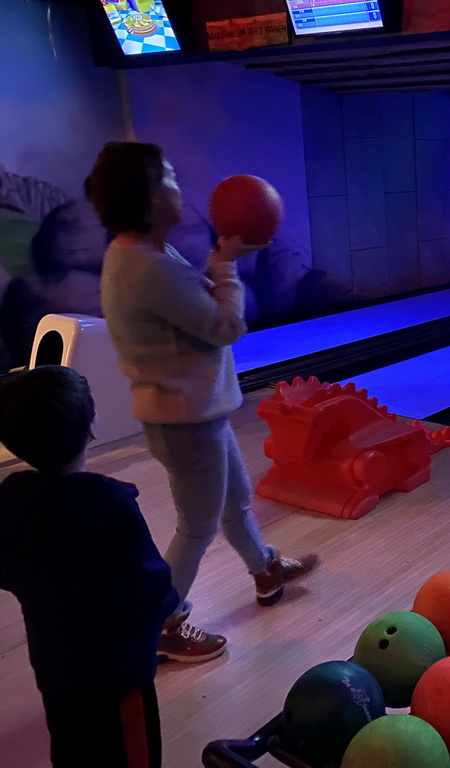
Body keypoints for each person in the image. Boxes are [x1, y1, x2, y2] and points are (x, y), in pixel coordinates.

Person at [90, 142, 319, 663]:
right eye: (168, 178)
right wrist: (224, 263)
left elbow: (194, 310)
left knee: (235, 501)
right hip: (185, 422)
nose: (180, 187)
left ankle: (265, 569)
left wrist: (217, 264)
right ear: (148, 199)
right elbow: (224, 326)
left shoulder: (141, 252)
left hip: (194, 414)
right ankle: (164, 622)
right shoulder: (147, 267)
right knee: (196, 526)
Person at [0, 365, 178, 768]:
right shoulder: (111, 505)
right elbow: (148, 583)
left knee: (72, 748)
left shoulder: (10, 504)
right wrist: (172, 602)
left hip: (56, 668)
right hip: (116, 675)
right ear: (91, 430)